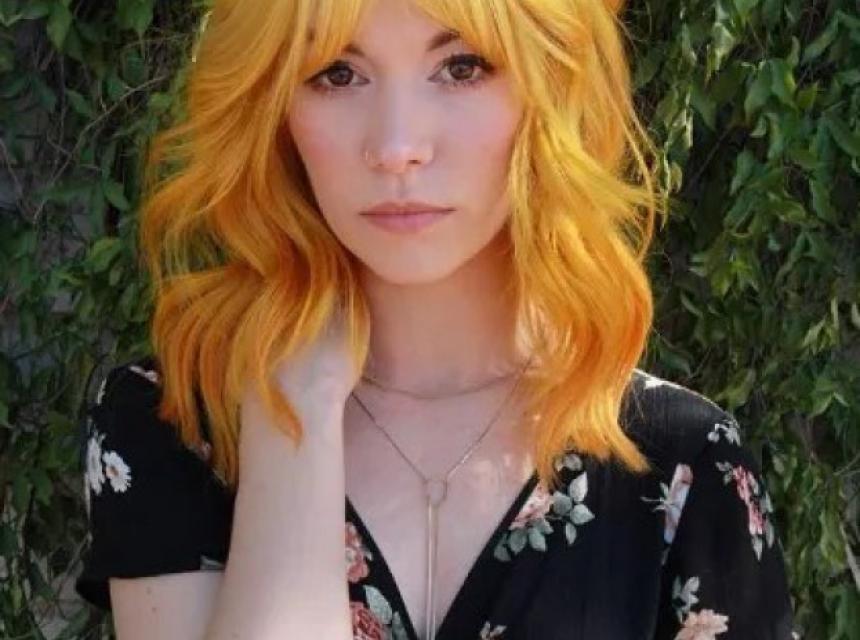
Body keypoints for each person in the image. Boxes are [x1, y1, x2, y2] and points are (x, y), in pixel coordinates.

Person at [74, 0, 797, 638]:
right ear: (276, 106)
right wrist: (295, 409)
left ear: (551, 86)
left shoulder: (683, 466)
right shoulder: (172, 421)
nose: (396, 149)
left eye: (461, 67)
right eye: (336, 73)